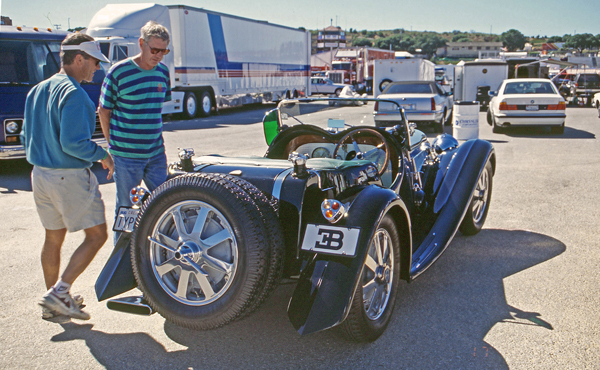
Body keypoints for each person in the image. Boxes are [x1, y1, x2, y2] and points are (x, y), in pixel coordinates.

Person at [21, 33, 114, 320]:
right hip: (68, 177)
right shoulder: (74, 94)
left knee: (53, 238)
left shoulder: (37, 90)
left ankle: (53, 303)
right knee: (97, 235)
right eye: (95, 62)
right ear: (79, 59)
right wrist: (103, 155)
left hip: (40, 175)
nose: (97, 68)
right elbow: (74, 144)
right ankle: (60, 292)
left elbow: (26, 136)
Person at [98, 21, 171, 243]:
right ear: (141, 44)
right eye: (154, 50)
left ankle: (157, 253)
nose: (158, 55)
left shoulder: (163, 73)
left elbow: (157, 111)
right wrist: (111, 149)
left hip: (156, 154)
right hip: (126, 156)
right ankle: (119, 263)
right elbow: (103, 111)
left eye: (164, 51)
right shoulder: (118, 72)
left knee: (165, 203)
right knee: (126, 209)